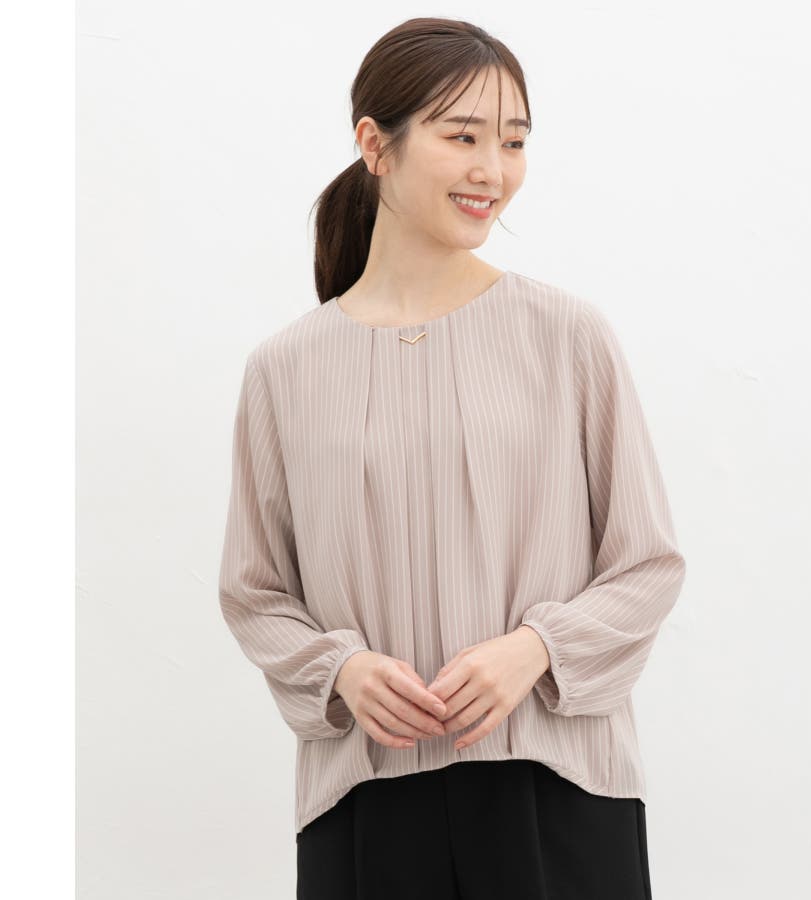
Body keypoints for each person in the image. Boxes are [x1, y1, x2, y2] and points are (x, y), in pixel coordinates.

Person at [218, 16, 686, 900]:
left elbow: (647, 564)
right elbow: (256, 592)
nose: (493, 171)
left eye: (513, 142)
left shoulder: (567, 336)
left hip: (556, 788)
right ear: (375, 145)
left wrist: (537, 649)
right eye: (462, 137)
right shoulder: (285, 369)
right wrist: (343, 670)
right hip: (365, 799)